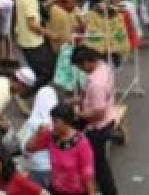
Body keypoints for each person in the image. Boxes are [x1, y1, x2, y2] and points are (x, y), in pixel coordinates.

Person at [72, 46, 118, 195]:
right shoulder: (103, 67)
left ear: (86, 62)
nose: (80, 69)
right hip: (107, 117)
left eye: (80, 66)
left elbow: (98, 113)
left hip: (98, 126)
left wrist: (78, 115)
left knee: (99, 164)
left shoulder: (96, 84)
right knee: (99, 162)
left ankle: (107, 191)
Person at [25, 103, 97, 195]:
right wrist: (37, 133)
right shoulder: (50, 136)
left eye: (56, 121)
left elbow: (87, 173)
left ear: (67, 122)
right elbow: (29, 148)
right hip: (56, 189)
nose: (53, 124)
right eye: (52, 121)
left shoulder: (82, 144)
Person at [16, 69, 59, 189]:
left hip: (36, 167)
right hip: (54, 167)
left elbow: (25, 148)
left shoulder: (33, 122)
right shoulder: (57, 123)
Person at [14, 0, 53, 88]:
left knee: (39, 71)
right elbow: (33, 25)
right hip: (33, 42)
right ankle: (28, 92)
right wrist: (50, 34)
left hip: (24, 39)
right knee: (46, 73)